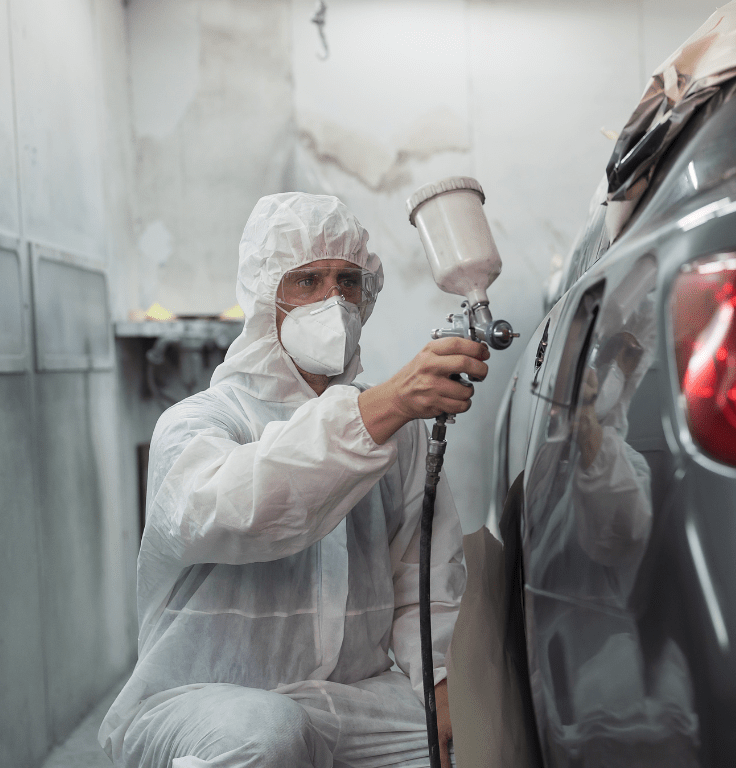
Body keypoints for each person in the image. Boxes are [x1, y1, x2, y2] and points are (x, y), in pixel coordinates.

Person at [100, 192, 486, 768]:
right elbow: (237, 510)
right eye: (306, 281)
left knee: (486, 735)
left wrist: (445, 682)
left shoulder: (394, 429)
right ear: (264, 298)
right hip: (204, 703)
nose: (333, 301)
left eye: (347, 282)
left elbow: (423, 583)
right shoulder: (199, 422)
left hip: (350, 698)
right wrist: (380, 409)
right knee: (266, 735)